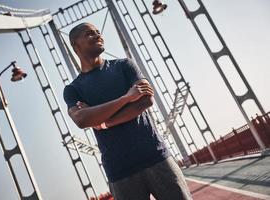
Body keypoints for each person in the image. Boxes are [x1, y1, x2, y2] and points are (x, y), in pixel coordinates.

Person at [63, 22, 192, 200]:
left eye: (98, 32)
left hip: (156, 156)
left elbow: (145, 101)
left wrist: (103, 122)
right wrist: (126, 98)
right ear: (75, 45)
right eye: (89, 34)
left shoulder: (124, 65)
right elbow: (81, 119)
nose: (98, 35)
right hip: (119, 171)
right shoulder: (73, 89)